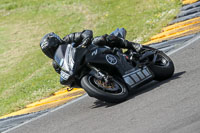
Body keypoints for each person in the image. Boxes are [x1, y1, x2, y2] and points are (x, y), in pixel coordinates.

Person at [40, 28, 142, 85]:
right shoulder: (57, 64)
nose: (52, 51)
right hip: (82, 67)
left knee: (101, 39)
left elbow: (86, 32)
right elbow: (65, 74)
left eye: (52, 48)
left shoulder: (68, 39)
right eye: (49, 51)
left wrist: (86, 39)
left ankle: (134, 46)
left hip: (93, 51)